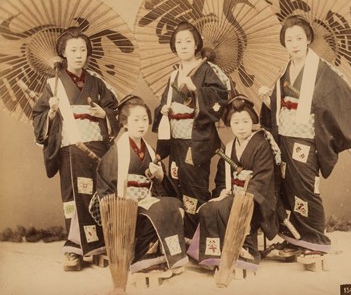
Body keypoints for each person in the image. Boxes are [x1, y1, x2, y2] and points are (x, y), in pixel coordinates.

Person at [259, 15, 351, 257]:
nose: (294, 44)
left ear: (308, 40)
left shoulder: (322, 70)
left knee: (306, 190)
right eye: (289, 39)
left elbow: (335, 98)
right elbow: (280, 103)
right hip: (285, 136)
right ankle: (293, 238)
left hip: (306, 139)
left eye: (299, 38)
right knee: (287, 189)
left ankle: (316, 241)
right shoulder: (286, 69)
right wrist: (269, 98)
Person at [32, 27, 119, 271]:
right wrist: (50, 111)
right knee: (73, 197)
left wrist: (104, 113)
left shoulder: (97, 82)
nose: (79, 54)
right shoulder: (53, 84)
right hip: (71, 148)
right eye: (73, 50)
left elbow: (114, 109)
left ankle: (100, 245)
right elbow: (37, 115)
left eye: (83, 49)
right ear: (63, 53)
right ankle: (73, 249)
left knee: (99, 195)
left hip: (97, 148)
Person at [152, 21, 229, 239]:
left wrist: (197, 89)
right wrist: (163, 109)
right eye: (179, 42)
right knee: (177, 183)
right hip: (175, 139)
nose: (183, 45)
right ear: (174, 46)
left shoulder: (206, 69)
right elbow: (162, 105)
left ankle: (199, 237)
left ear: (196, 44)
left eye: (188, 41)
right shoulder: (173, 75)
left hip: (195, 140)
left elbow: (220, 97)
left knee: (195, 188)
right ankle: (184, 234)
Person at [187, 94, 281, 271]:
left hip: (254, 199)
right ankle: (213, 256)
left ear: (252, 120)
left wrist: (245, 191)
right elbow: (222, 180)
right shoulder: (228, 148)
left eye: (245, 121)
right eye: (236, 122)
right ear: (230, 124)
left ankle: (243, 252)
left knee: (225, 207)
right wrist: (222, 192)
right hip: (233, 194)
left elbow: (263, 179)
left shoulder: (262, 143)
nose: (241, 127)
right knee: (209, 208)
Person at [97, 95, 188, 273]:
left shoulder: (150, 151)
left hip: (146, 201)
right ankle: (144, 259)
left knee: (173, 204)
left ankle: (168, 257)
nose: (141, 124)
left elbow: (161, 189)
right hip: (125, 207)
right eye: (136, 120)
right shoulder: (115, 153)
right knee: (157, 210)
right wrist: (120, 210)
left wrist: (160, 176)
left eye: (145, 120)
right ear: (124, 123)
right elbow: (105, 189)